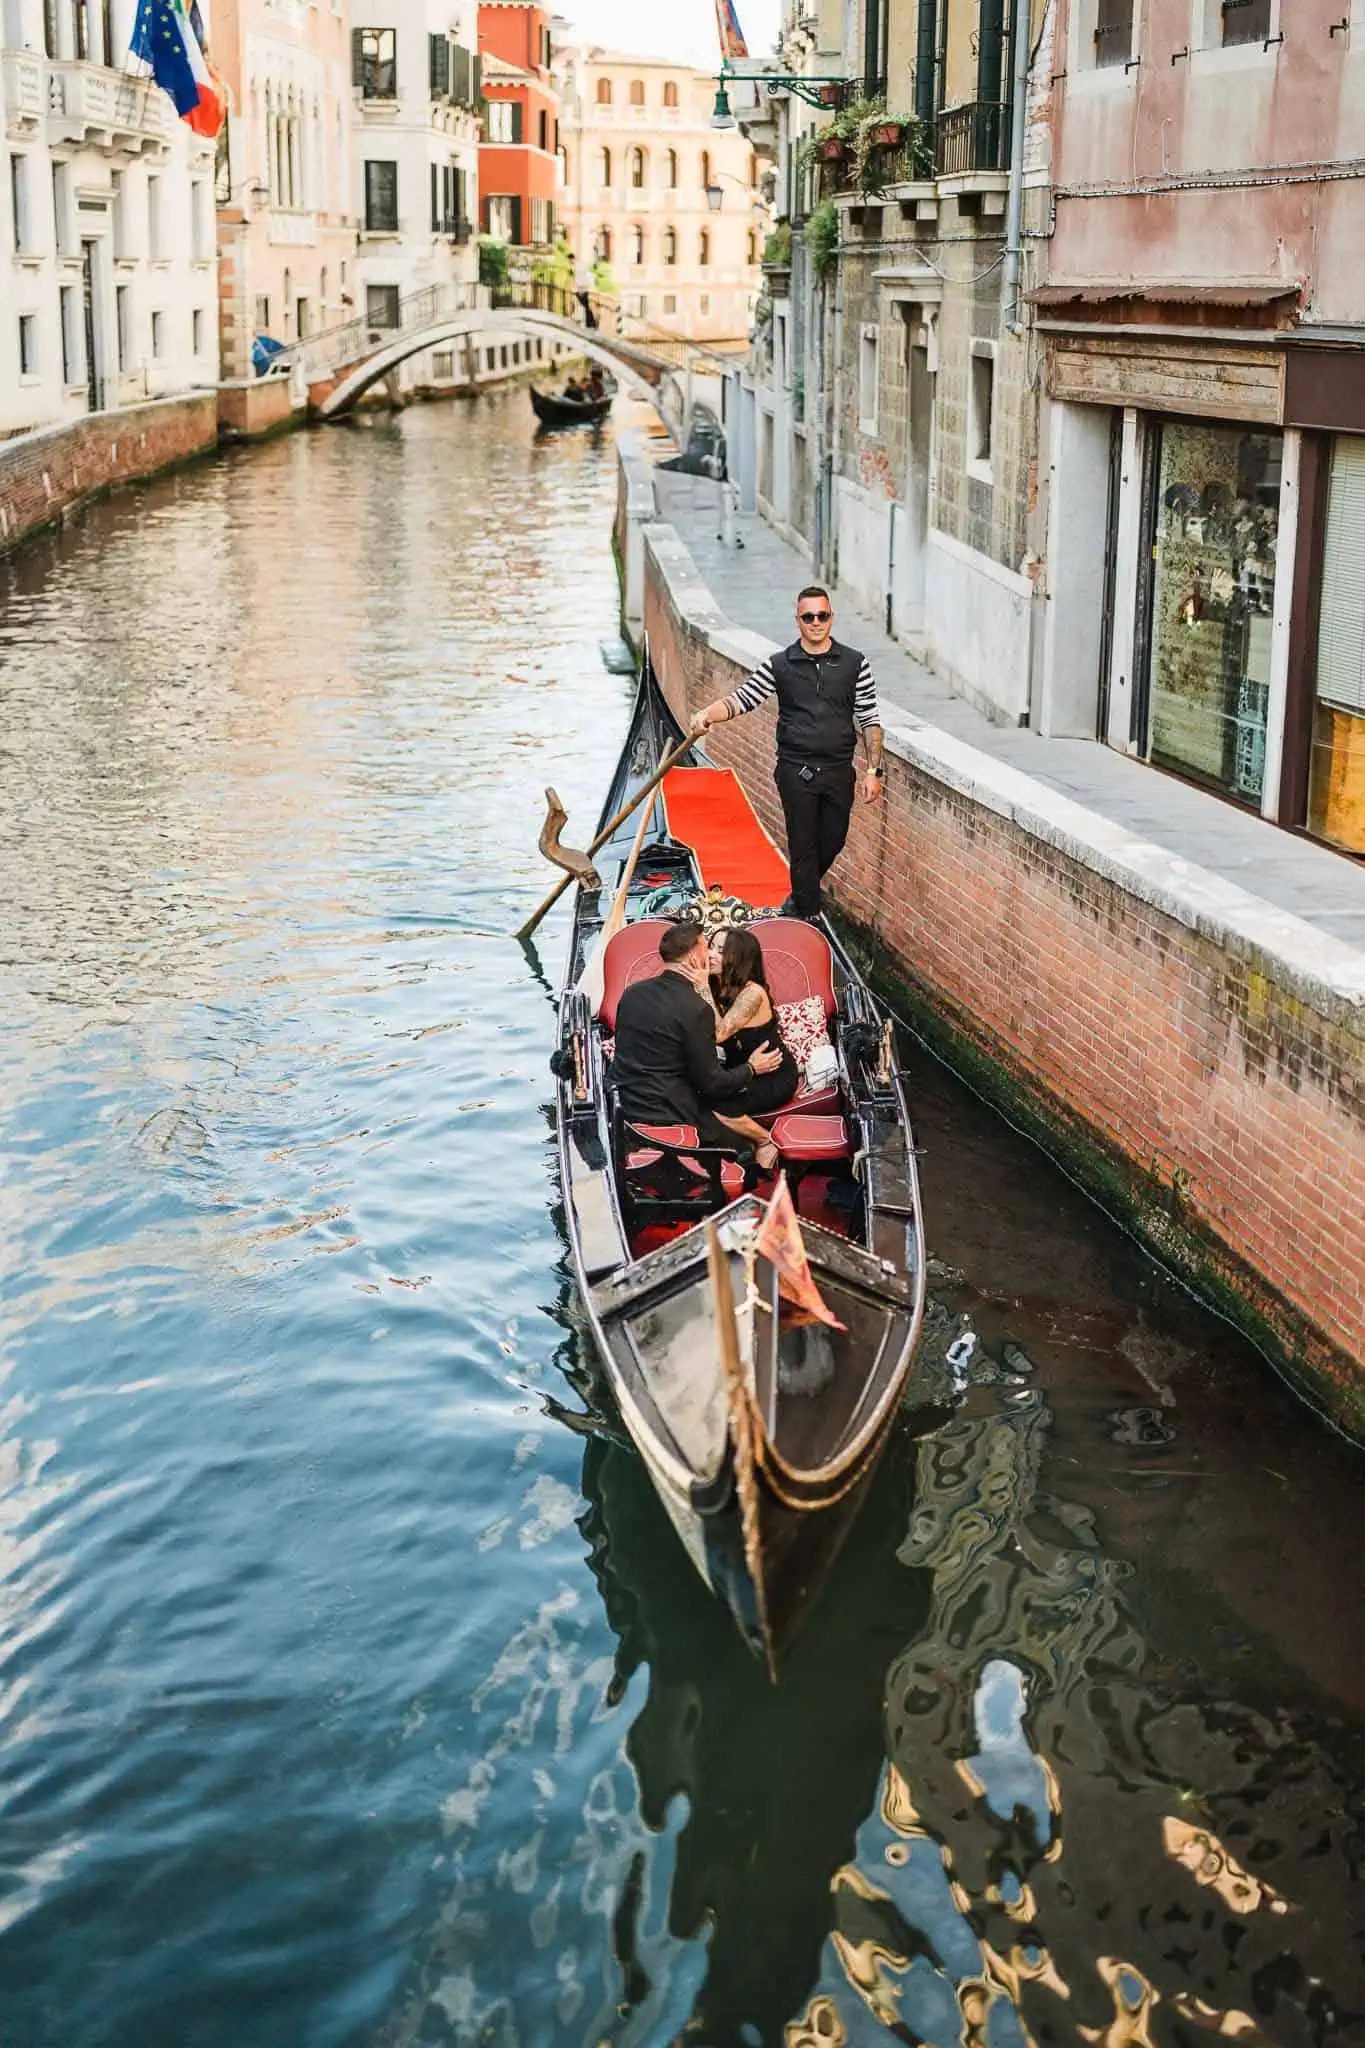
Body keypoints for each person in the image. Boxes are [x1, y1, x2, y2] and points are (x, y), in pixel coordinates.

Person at [690, 586, 885, 921]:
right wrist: (707, 713)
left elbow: (869, 718)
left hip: (839, 771)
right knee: (803, 848)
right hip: (797, 771)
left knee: (833, 840)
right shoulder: (780, 665)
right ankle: (806, 918)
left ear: (831, 618)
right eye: (808, 617)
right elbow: (742, 699)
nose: (815, 622)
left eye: (821, 616)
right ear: (797, 621)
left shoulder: (855, 664)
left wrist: (873, 772)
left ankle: (797, 901)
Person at [613, 922, 784, 1172]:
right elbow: (712, 1083)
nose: (711, 954)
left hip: (625, 1098)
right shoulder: (696, 1008)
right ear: (694, 956)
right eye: (708, 947)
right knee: (742, 1151)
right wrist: (750, 1068)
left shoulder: (631, 993)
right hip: (669, 1108)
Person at [708, 926, 798, 1117]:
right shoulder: (715, 985)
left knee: (714, 1108)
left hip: (772, 1075)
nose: (710, 955)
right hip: (738, 1070)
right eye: (711, 947)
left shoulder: (753, 994)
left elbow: (718, 1034)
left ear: (739, 959)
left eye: (721, 951)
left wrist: (701, 987)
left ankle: (764, 1140)